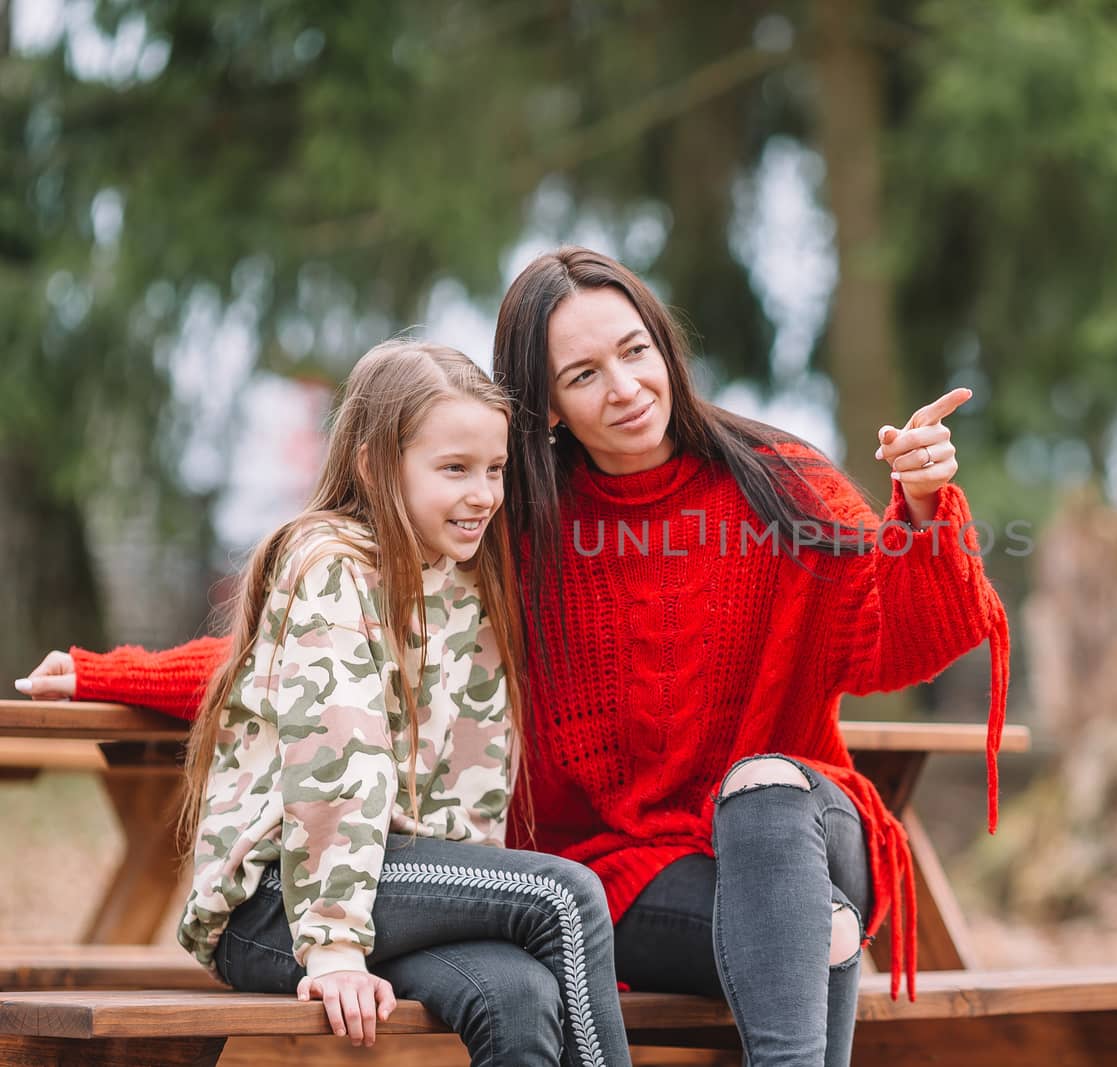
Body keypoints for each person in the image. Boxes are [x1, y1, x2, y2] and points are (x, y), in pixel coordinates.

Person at [21, 248, 1009, 1067]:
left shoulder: (779, 483)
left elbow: (907, 643)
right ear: (543, 405)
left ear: (664, 346)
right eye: (584, 375)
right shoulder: (516, 533)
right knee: (813, 932)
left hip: (795, 823)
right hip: (639, 875)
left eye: (635, 351)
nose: (624, 387)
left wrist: (920, 512)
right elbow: (334, 648)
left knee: (765, 804)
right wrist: (121, 672)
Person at [22, 340, 633, 1067]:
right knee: (565, 897)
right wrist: (335, 942)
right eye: (455, 469)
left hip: (394, 887)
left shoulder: (468, 576)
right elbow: (335, 752)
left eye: (494, 469)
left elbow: (248, 672)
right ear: (376, 465)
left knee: (520, 996)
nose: (483, 494)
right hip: (283, 901)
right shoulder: (331, 565)